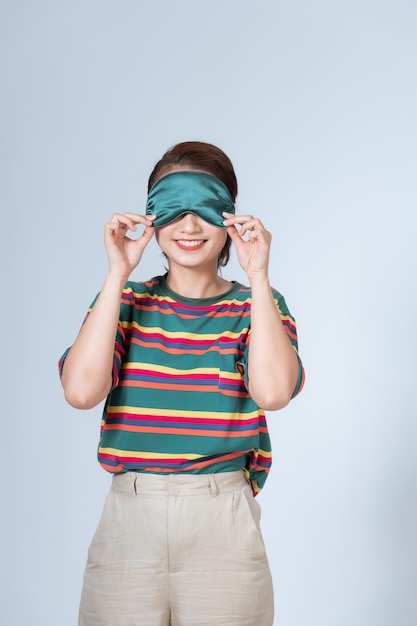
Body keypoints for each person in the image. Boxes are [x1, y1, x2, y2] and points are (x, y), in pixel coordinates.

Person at [59, 141, 305, 626]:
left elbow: (273, 393)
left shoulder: (258, 304)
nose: (189, 226)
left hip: (222, 519)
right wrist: (116, 274)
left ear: (230, 218)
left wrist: (259, 276)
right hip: (130, 518)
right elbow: (80, 392)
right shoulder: (126, 301)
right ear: (151, 218)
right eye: (172, 209)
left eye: (205, 208)